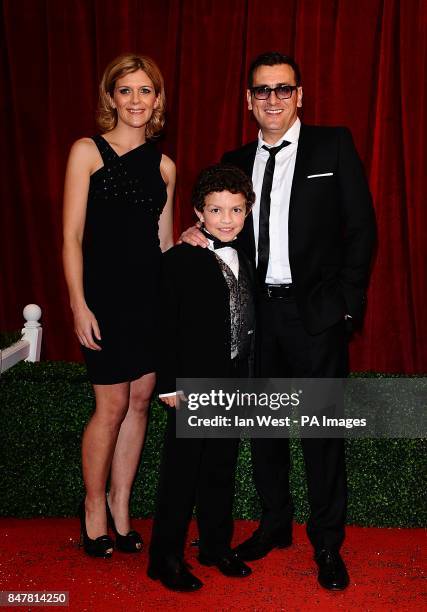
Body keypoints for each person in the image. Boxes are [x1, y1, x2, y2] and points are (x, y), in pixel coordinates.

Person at [180, 51, 376, 590]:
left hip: (315, 315)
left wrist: (344, 304)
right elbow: (224, 226)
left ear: (300, 95)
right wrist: (197, 234)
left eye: (283, 89)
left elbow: (362, 229)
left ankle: (328, 543)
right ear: (248, 100)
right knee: (265, 430)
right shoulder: (235, 159)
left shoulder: (333, 145)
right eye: (262, 90)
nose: (272, 99)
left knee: (319, 433)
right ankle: (274, 525)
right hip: (256, 317)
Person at [62, 53, 175, 558]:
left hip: (150, 299)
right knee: (109, 405)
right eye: (125, 90)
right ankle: (93, 510)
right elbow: (70, 236)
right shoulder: (86, 151)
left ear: (157, 100)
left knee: (140, 401)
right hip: (103, 299)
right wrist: (78, 305)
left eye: (144, 90)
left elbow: (166, 246)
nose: (135, 100)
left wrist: (176, 310)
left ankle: (122, 507)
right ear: (111, 98)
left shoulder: (166, 166)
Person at [147, 164, 256, 591]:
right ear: (198, 213)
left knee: (220, 468)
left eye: (236, 210)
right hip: (191, 384)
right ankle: (165, 558)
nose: (226, 219)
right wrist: (170, 384)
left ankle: (214, 546)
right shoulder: (179, 260)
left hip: (232, 381)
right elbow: (165, 327)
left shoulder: (244, 257)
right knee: (182, 472)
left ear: (247, 213)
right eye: (216, 210)